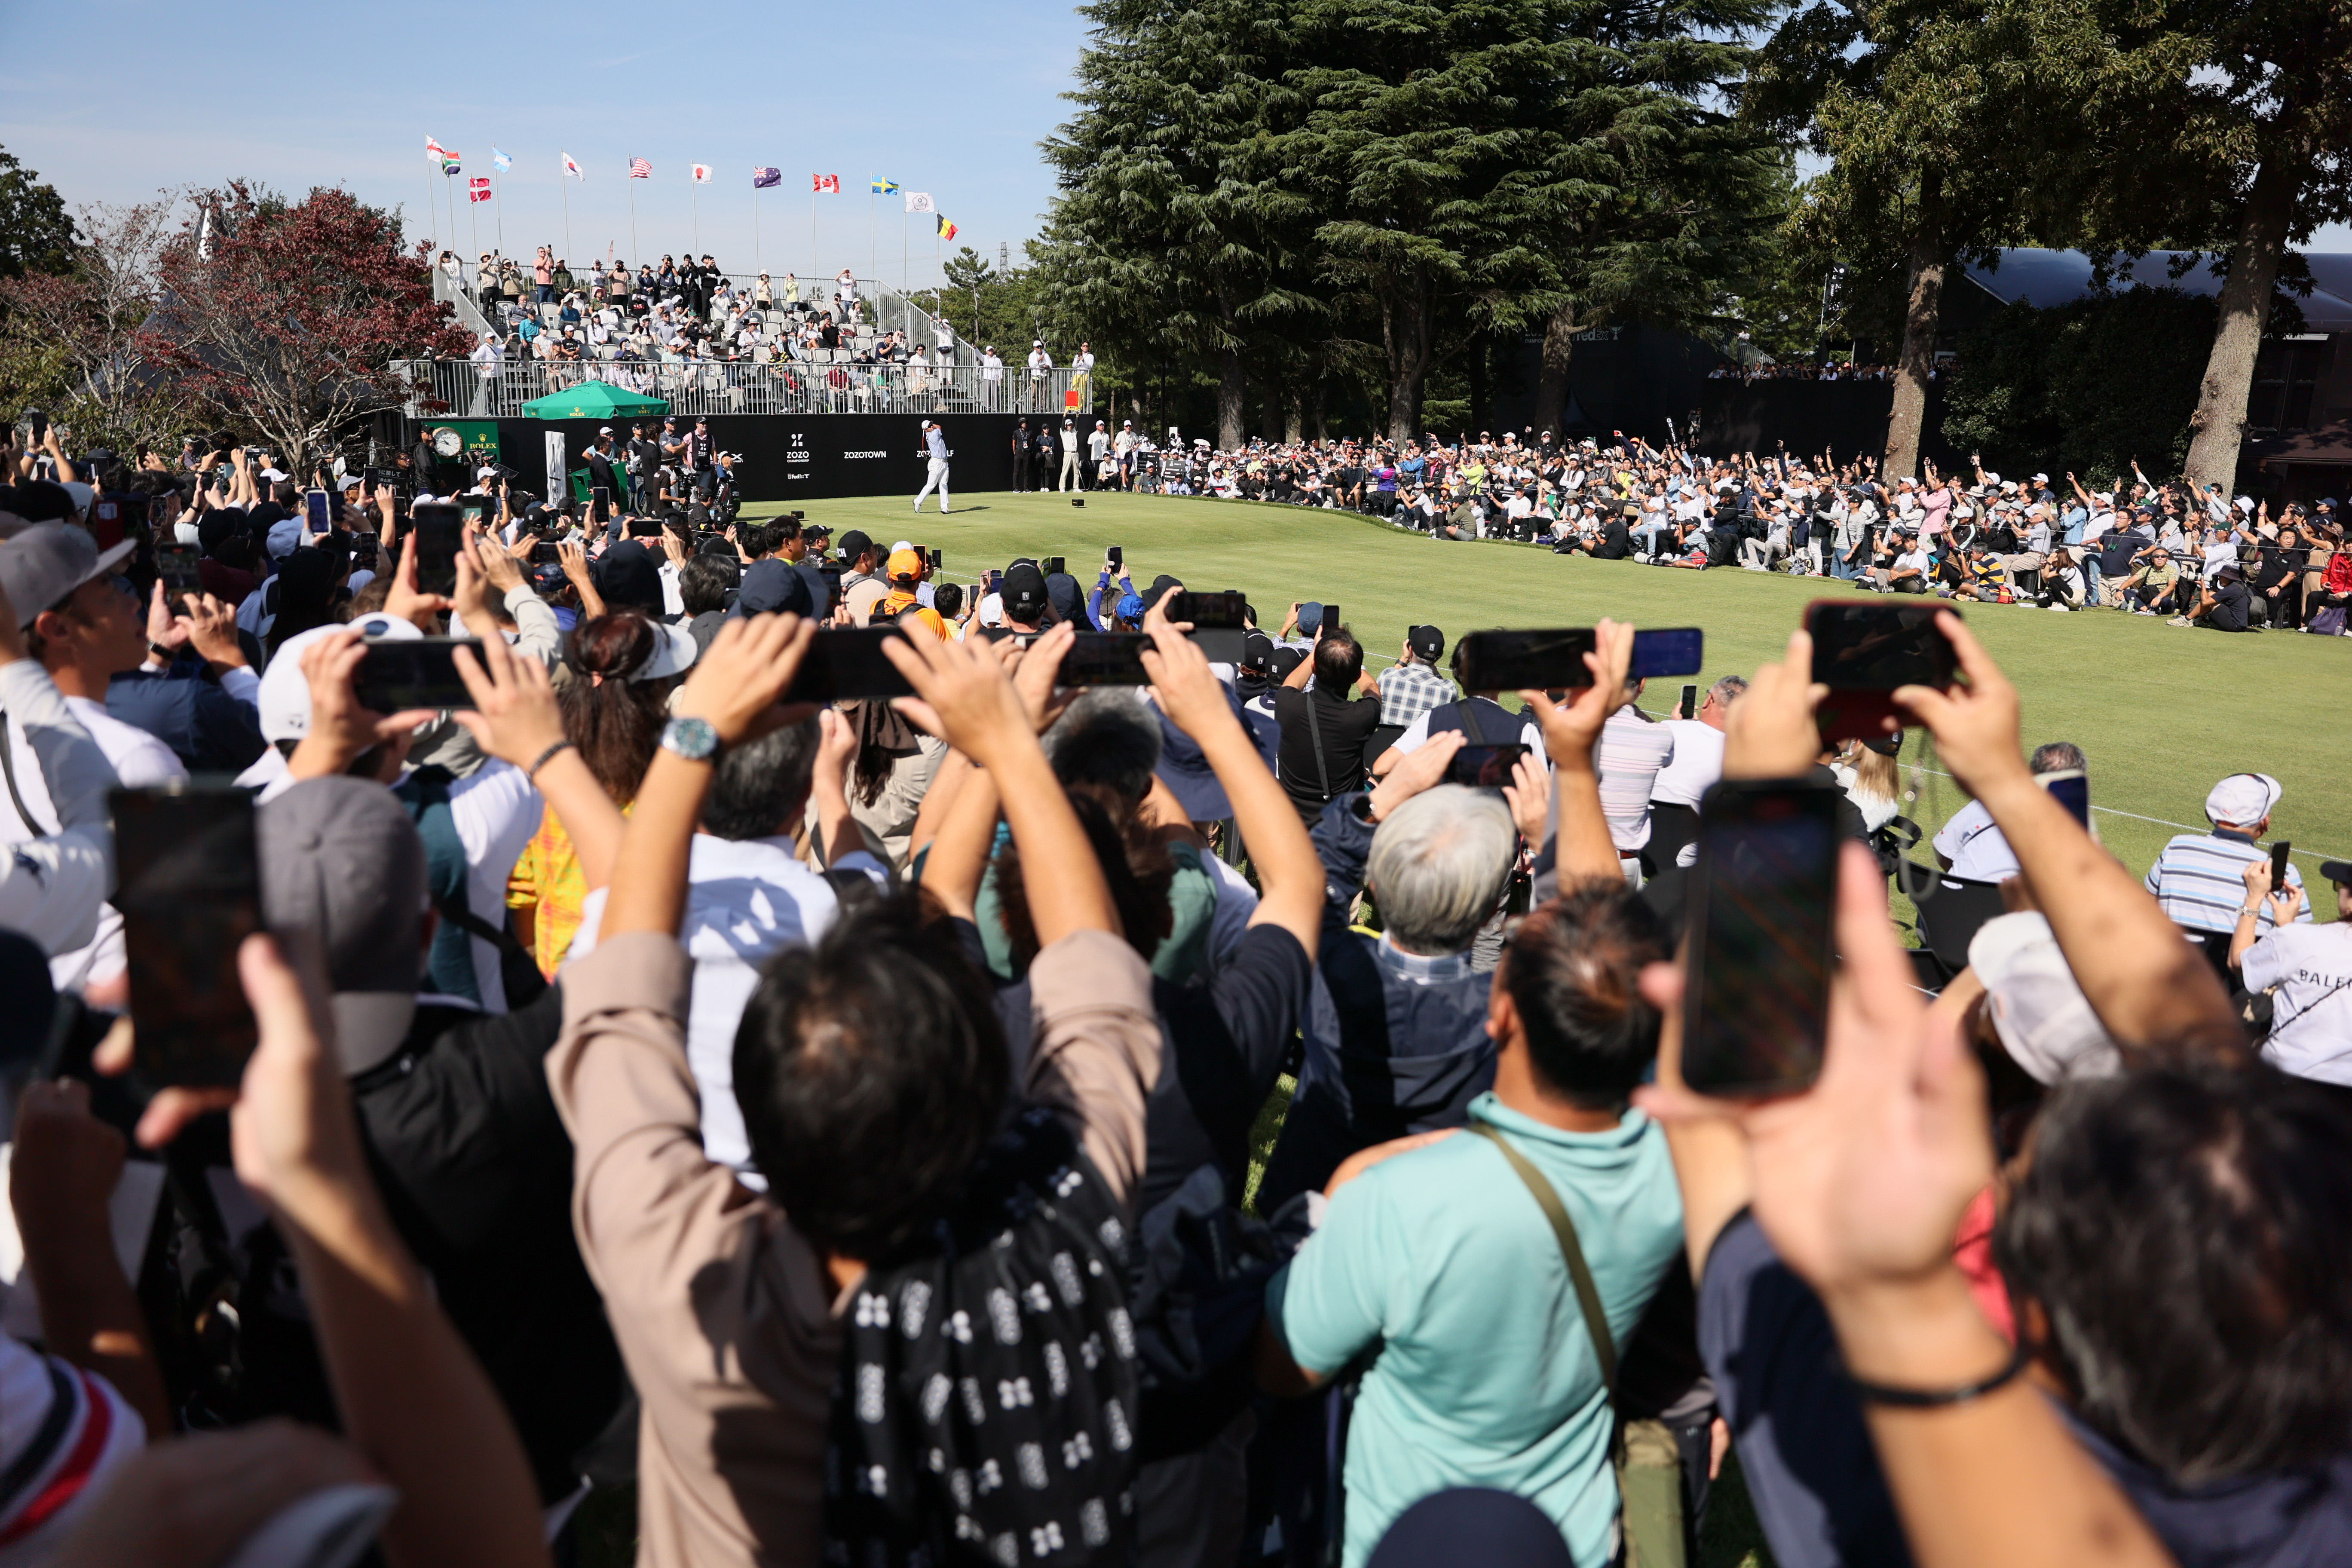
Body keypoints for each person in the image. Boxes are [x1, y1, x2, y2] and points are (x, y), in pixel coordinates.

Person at [545, 614, 1164, 1568]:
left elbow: (622, 1002)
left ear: (761, 1106)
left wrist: (693, 738)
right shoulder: (1062, 1222)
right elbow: (1092, 974)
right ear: (977, 1085)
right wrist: (1006, 744)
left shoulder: (693, 1283)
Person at [2145, 771, 2310, 968]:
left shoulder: (2178, 847)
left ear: (2210, 814)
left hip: (2170, 973)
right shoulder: (2283, 872)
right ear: (2265, 821)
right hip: (2236, 987)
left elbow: (2147, 909)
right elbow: (2299, 946)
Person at [2231, 856, 2352, 1086]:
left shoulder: (2297, 938)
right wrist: (2288, 928)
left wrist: (2254, 899)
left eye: (2341, 885)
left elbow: (2239, 963)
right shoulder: (2295, 937)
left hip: (2283, 1080)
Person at [1268, 621, 1381, 825]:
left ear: (1314, 667)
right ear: (1355, 675)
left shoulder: (1289, 706)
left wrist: (1317, 653)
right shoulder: (1361, 716)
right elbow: (1373, 690)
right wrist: (1348, 659)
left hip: (1293, 822)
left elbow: (1291, 684)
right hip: (1337, 825)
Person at [1931, 741, 2086, 884]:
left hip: (1945, 903)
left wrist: (1970, 887)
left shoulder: (1990, 801)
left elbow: (1943, 849)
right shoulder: (2071, 829)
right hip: (1998, 909)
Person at [913, 419, 952, 514]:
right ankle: (918, 502)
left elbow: (936, 427)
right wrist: (931, 425)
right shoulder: (934, 435)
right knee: (931, 485)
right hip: (936, 464)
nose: (932, 427)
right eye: (930, 426)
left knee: (944, 485)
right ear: (926, 430)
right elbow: (939, 427)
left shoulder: (932, 431)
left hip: (945, 463)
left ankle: (945, 508)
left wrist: (929, 424)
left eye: (932, 425)